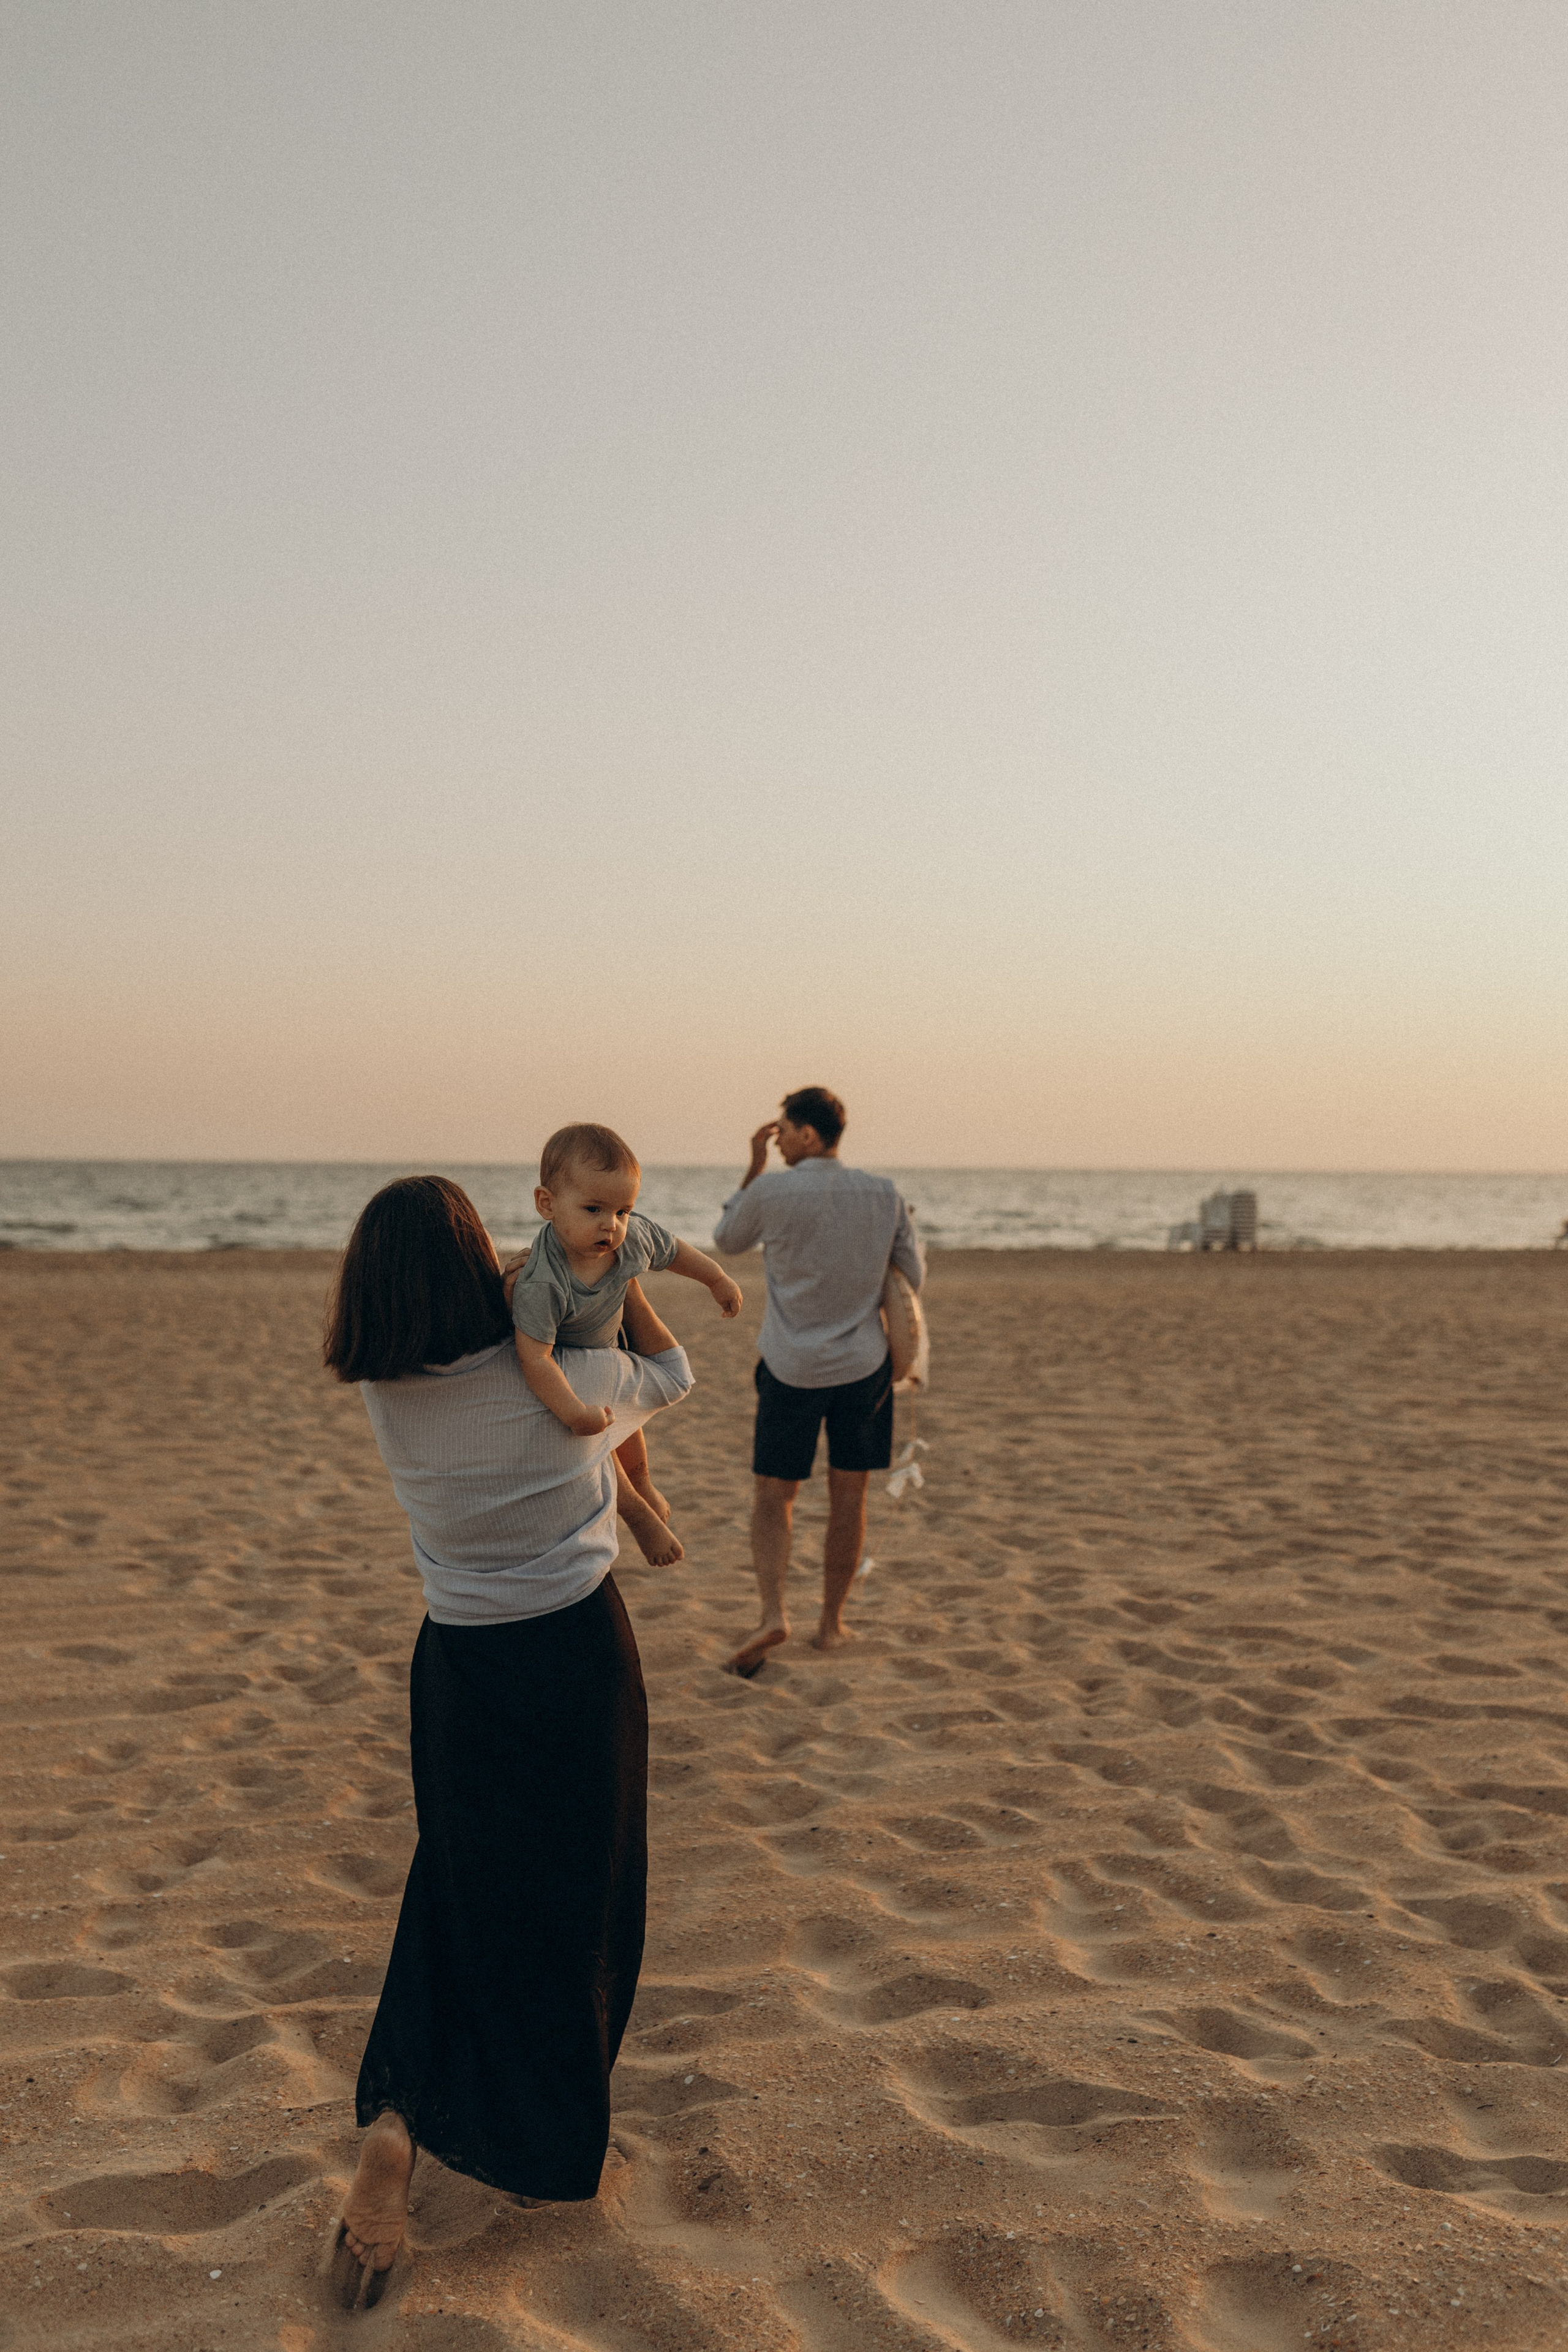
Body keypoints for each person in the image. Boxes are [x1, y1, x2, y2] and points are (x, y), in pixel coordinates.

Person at [320, 1174, 693, 2305]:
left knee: (458, 1887)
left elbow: (446, 1315)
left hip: (460, 1666)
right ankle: (535, 2138)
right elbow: (674, 1378)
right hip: (574, 1658)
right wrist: (615, 1273)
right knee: (580, 1895)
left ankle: (400, 2120)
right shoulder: (564, 1377)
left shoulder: (390, 1390)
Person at [712, 1085, 923, 1675]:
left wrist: (751, 1168)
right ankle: (831, 1625)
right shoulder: (883, 1193)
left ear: (808, 1133)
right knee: (849, 1495)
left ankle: (773, 1612)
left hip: (790, 1366)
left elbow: (728, 1241)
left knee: (774, 1494)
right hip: (863, 1366)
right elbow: (914, 1276)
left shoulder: (773, 1189)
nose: (777, 1144)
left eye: (782, 1132)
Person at [510, 1123, 742, 1551]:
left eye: (623, 1211)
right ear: (548, 1204)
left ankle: (643, 1484)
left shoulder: (630, 1239)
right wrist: (575, 1413)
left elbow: (673, 1251)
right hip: (566, 1360)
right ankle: (632, 1507)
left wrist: (717, 1279)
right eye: (594, 1209)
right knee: (597, 1434)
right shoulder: (542, 1281)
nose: (611, 1225)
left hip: (610, 1348)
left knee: (625, 1424)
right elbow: (535, 1359)